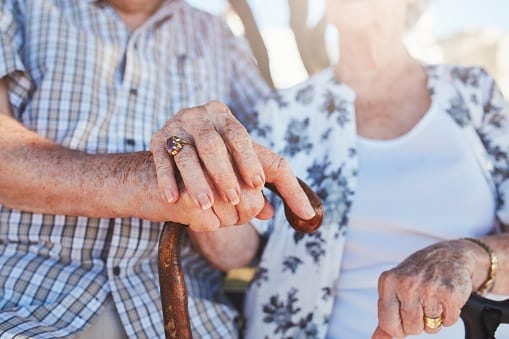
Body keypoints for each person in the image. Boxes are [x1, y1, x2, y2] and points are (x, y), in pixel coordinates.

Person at [184, 0, 509, 338]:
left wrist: (471, 256)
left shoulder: (473, 91)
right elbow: (236, 252)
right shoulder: (285, 111)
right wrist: (202, 177)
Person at [0, 0, 317, 338]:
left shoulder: (219, 39)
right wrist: (143, 180)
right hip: (22, 305)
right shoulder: (17, 8)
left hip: (188, 319)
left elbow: (243, 248)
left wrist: (207, 183)